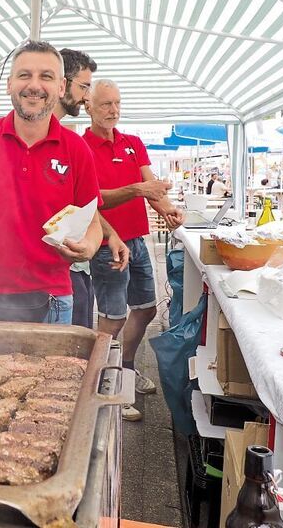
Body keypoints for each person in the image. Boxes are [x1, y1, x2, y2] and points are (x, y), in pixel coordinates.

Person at [0, 41, 103, 325]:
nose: (34, 85)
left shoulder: (77, 149)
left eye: (46, 76)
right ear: (9, 84)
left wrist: (88, 246)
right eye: (24, 75)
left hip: (53, 298)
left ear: (61, 87)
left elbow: (93, 222)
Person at [83, 79, 184, 421]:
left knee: (146, 309)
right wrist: (138, 189)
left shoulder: (133, 143)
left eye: (117, 103)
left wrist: (169, 210)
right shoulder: (81, 147)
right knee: (112, 318)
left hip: (138, 241)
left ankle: (125, 369)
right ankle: (102, 383)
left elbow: (151, 187)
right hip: (105, 244)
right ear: (89, 107)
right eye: (105, 104)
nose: (113, 110)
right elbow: (92, 199)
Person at [54, 48, 129, 329]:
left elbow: (84, 204)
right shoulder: (70, 142)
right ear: (62, 83)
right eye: (84, 86)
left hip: (72, 267)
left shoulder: (71, 143)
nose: (87, 97)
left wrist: (109, 234)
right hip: (46, 276)